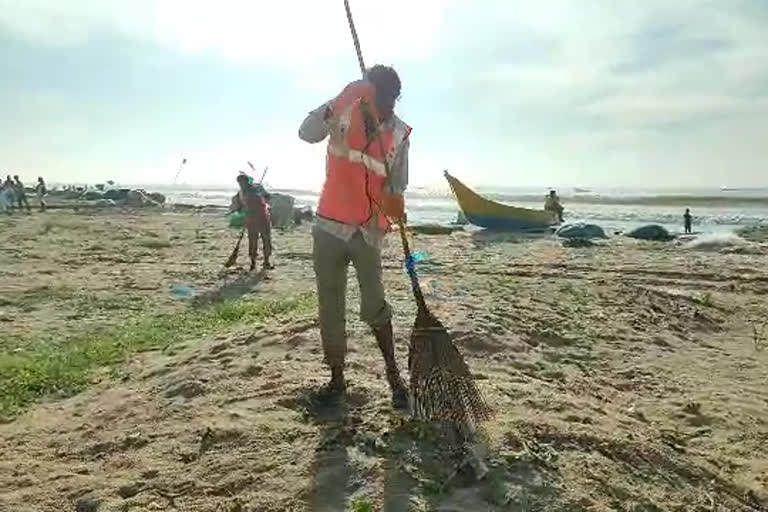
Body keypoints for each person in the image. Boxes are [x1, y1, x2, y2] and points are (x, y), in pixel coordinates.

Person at [298, 65, 411, 409]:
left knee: (375, 306)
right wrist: (343, 95)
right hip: (329, 226)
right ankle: (336, 379)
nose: (389, 102)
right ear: (368, 89)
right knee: (330, 307)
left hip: (368, 232)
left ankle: (394, 376)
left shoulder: (399, 133)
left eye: (394, 96)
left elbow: (398, 183)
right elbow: (307, 133)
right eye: (382, 94)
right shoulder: (343, 108)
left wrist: (395, 208)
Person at [230, 172, 273, 271]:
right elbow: (238, 206)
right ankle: (253, 263)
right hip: (251, 220)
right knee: (253, 241)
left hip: (263, 218)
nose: (241, 184)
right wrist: (239, 209)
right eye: (240, 183)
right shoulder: (240, 193)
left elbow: (268, 197)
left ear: (246, 181)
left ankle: (266, 261)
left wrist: (262, 195)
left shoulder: (257, 188)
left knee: (266, 240)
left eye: (242, 182)